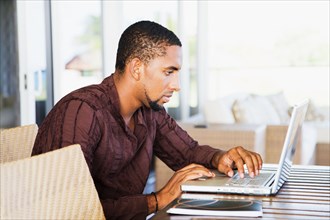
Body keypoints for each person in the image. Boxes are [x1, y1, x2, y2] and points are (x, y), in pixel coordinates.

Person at [32, 20, 262, 219]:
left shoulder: (150, 112)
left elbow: (187, 153)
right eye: (168, 72)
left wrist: (221, 157)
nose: (177, 85)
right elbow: (67, 211)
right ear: (136, 68)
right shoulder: (82, 111)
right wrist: (156, 200)